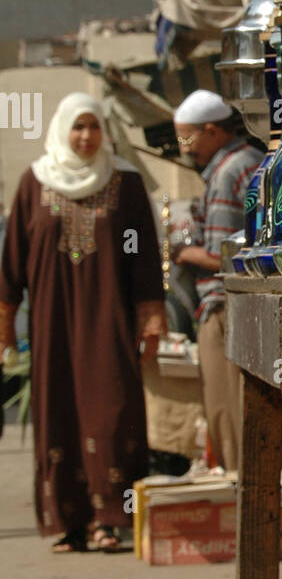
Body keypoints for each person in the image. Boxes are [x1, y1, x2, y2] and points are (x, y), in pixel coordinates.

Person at [0, 93, 167, 552]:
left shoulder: (126, 185)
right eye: (78, 127)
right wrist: (5, 321)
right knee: (58, 415)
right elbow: (13, 261)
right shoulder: (33, 183)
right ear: (62, 130)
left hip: (108, 324)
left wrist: (150, 317)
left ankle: (111, 520)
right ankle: (69, 523)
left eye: (93, 127)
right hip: (52, 327)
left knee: (114, 413)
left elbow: (141, 257)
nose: (86, 136)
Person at [171, 90, 260, 471]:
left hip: (224, 309)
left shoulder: (226, 174)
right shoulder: (250, 160)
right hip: (244, 307)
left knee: (227, 412)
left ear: (212, 131)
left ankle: (239, 494)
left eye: (188, 138)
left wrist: (182, 253)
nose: (185, 149)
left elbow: (222, 258)